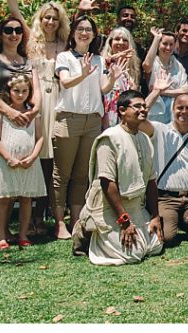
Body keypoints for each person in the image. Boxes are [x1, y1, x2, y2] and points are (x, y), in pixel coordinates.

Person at [0, 0, 70, 236]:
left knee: (54, 162)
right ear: (40, 20)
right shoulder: (30, 41)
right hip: (38, 104)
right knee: (37, 156)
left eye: (55, 18)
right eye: (46, 18)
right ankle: (33, 219)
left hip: (61, 103)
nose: (50, 22)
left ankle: (52, 216)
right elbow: (14, 11)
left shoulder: (66, 44)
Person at [72, 90, 163, 266]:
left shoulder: (145, 138)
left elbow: (151, 180)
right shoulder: (109, 138)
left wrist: (155, 216)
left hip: (136, 206)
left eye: (144, 106)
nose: (143, 110)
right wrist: (124, 221)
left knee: (156, 246)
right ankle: (87, 230)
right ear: (121, 110)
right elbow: (107, 182)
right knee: (132, 255)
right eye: (137, 106)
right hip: (111, 209)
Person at [0, 16, 40, 244]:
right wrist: (8, 111)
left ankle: (7, 229)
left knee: (17, 176)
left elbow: (35, 91)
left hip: (23, 122)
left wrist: (33, 111)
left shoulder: (26, 60)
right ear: (0, 33)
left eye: (18, 30)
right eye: (8, 30)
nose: (14, 34)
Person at [55, 15, 117, 241]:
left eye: (89, 30)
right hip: (68, 119)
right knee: (62, 175)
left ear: (94, 34)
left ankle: (77, 220)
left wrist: (112, 78)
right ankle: (60, 223)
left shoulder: (98, 60)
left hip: (92, 120)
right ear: (73, 33)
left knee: (82, 175)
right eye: (80, 29)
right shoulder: (64, 57)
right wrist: (81, 73)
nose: (84, 33)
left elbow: (103, 88)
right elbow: (65, 82)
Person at [139, 93, 188, 246]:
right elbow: (139, 121)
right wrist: (155, 92)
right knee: (167, 238)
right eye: (180, 108)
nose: (184, 112)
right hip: (165, 198)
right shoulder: (160, 130)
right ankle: (174, 220)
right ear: (173, 109)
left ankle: (183, 219)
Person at [0, 74, 46, 249]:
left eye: (24, 91)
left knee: (26, 198)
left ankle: (23, 234)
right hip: (7, 161)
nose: (20, 95)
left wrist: (33, 157)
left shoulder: (33, 114)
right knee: (5, 198)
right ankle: (1, 236)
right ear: (9, 92)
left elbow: (40, 137)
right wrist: (8, 157)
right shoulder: (0, 113)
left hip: (28, 162)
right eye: (16, 91)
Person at [142, 28, 188, 124]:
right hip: (153, 112)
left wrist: (160, 91)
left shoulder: (178, 65)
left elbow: (185, 90)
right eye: (164, 43)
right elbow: (146, 65)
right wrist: (156, 38)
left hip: (173, 113)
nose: (168, 48)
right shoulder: (153, 62)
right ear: (158, 44)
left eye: (171, 44)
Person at [100, 27, 141, 129]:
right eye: (117, 39)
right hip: (105, 114)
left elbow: (133, 91)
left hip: (125, 114)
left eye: (125, 40)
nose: (121, 43)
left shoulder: (133, 66)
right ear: (110, 42)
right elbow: (103, 90)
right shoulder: (102, 62)